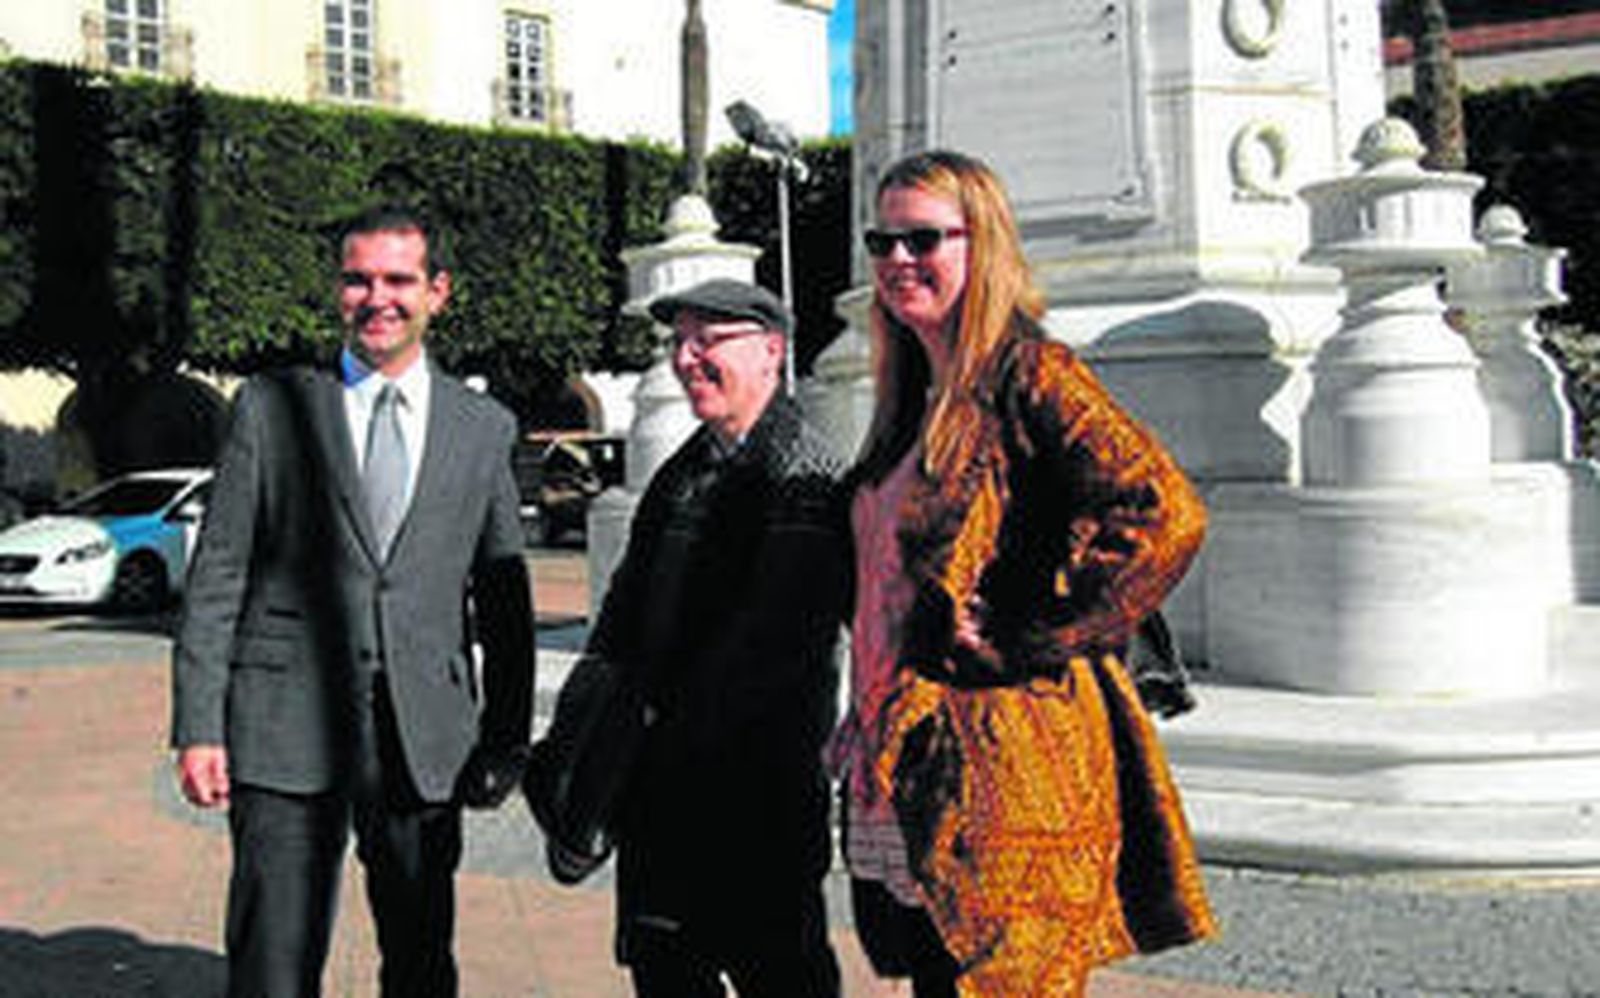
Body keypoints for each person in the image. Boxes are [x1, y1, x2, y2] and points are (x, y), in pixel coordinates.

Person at [829, 149, 1217, 996]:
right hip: (908, 756)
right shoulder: (911, 400)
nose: (897, 260)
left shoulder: (1033, 374)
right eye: (882, 241)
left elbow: (1165, 512)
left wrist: (1033, 631)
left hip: (1004, 766)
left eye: (923, 239)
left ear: (984, 244)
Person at [170, 206, 536, 998]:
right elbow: (219, 572)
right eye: (358, 279)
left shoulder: (483, 428)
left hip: (422, 733)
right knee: (272, 962)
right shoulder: (269, 406)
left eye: (399, 280)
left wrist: (507, 738)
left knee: (420, 957)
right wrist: (199, 725)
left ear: (437, 291)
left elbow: (505, 599)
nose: (378, 298)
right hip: (281, 724)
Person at [578, 278, 849, 996]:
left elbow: (777, 648)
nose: (686, 358)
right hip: (660, 793)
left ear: (772, 351)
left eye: (709, 339)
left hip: (759, 798)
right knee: (665, 973)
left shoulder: (810, 476)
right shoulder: (682, 474)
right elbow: (624, 614)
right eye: (679, 341)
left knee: (782, 976)